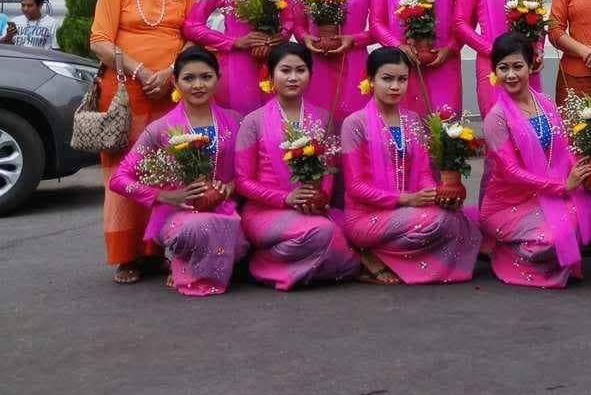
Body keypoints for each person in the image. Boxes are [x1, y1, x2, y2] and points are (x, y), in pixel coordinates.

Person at [89, 0, 197, 284]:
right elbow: (99, 40)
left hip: (171, 91)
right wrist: (140, 71)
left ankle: (159, 250)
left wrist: (170, 73)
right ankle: (127, 255)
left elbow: (192, 37)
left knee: (168, 169)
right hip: (124, 93)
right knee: (125, 172)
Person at [108, 46, 247, 296]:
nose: (198, 85)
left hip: (225, 208)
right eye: (189, 78)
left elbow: (249, 170)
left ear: (218, 78)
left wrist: (232, 186)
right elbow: (119, 179)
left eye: (206, 77)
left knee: (236, 232)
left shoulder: (235, 121)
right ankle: (185, 262)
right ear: (175, 81)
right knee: (198, 227)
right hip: (177, 215)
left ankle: (207, 263)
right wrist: (163, 196)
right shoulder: (160, 129)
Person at [339, 47, 482, 285]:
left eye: (402, 79)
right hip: (366, 217)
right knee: (440, 222)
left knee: (458, 219)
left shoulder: (412, 120)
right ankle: (369, 255)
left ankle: (384, 256)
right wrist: (407, 199)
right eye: (387, 79)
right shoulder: (355, 124)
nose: (395, 86)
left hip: (409, 210)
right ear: (370, 79)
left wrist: (430, 194)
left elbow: (424, 172)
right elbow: (355, 187)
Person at [235, 42, 361, 290]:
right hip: (265, 211)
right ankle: (263, 264)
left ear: (310, 74)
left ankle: (279, 263)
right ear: (270, 75)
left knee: (344, 236)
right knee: (323, 234)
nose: (293, 78)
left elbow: (328, 170)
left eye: (300, 70)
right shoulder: (253, 121)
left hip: (311, 210)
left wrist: (317, 198)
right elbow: (243, 181)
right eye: (285, 71)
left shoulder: (323, 118)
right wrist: (286, 198)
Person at [479, 33, 591, 288]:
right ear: (494, 70)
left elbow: (563, 148)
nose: (510, 75)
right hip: (505, 206)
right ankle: (505, 252)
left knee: (582, 212)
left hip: (542, 196)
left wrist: (582, 169)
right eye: (503, 67)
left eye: (517, 66)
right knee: (555, 238)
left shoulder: (545, 104)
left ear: (531, 66)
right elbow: (510, 172)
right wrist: (563, 187)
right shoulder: (496, 118)